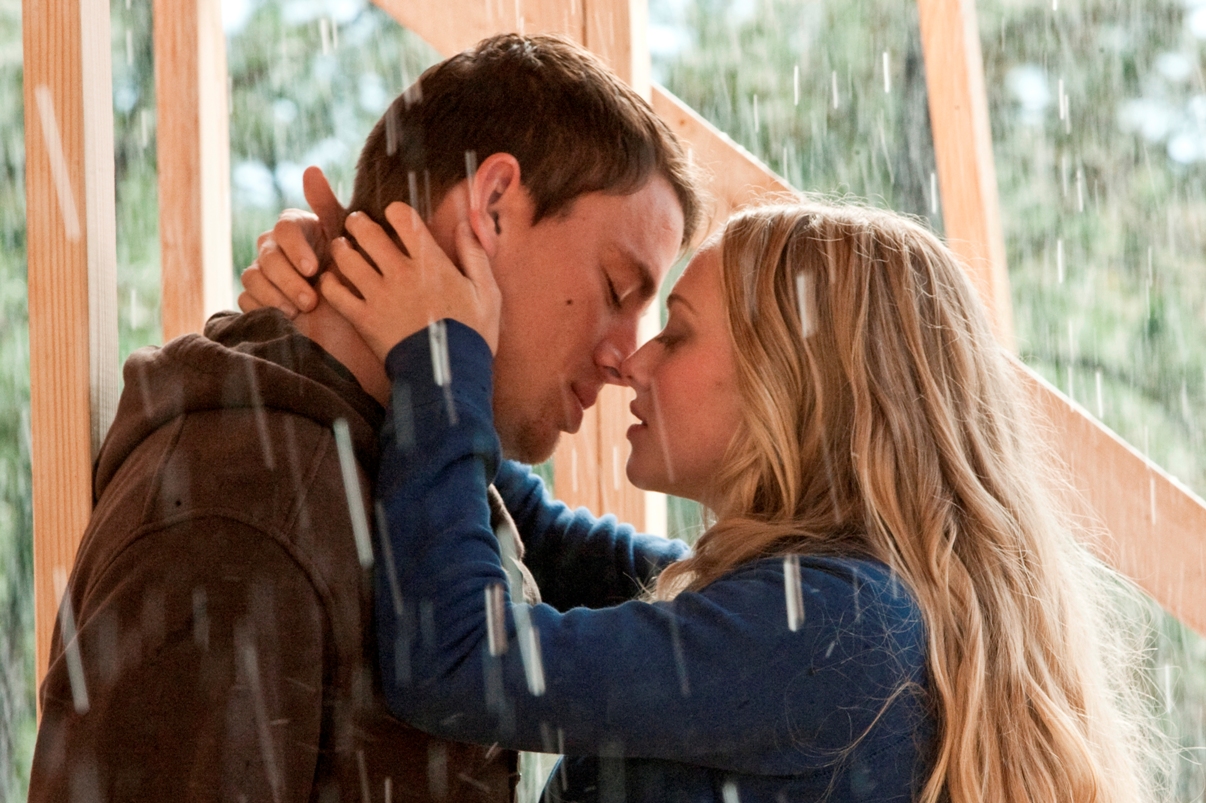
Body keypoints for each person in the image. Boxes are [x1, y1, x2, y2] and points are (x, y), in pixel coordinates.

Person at [295, 197, 1163, 802]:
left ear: (796, 385)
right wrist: (378, 341)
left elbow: (455, 658)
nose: (634, 361)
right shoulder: (844, 613)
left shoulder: (827, 627)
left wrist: (435, 358)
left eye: (676, 332)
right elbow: (544, 540)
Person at [28, 33, 703, 802]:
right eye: (618, 288)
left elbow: (655, 589)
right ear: (492, 206)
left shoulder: (402, 466)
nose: (626, 358)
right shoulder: (245, 508)